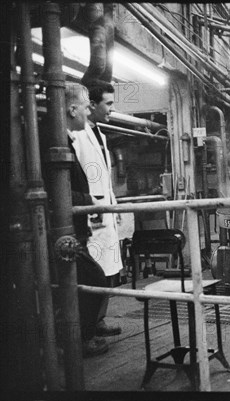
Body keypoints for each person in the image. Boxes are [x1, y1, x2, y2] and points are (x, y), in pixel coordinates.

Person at [71, 80, 123, 337]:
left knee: (108, 268)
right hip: (89, 213)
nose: (112, 109)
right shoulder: (77, 134)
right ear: (92, 104)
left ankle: (99, 320)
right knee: (94, 272)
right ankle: (89, 326)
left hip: (104, 210)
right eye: (109, 103)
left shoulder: (100, 134)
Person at [64, 82, 109, 356]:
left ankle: (79, 336)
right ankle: (81, 339)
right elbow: (57, 190)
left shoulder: (66, 138)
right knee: (94, 279)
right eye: (84, 106)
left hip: (75, 228)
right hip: (67, 231)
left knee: (85, 282)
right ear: (72, 109)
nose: (88, 110)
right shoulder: (59, 139)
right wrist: (88, 202)